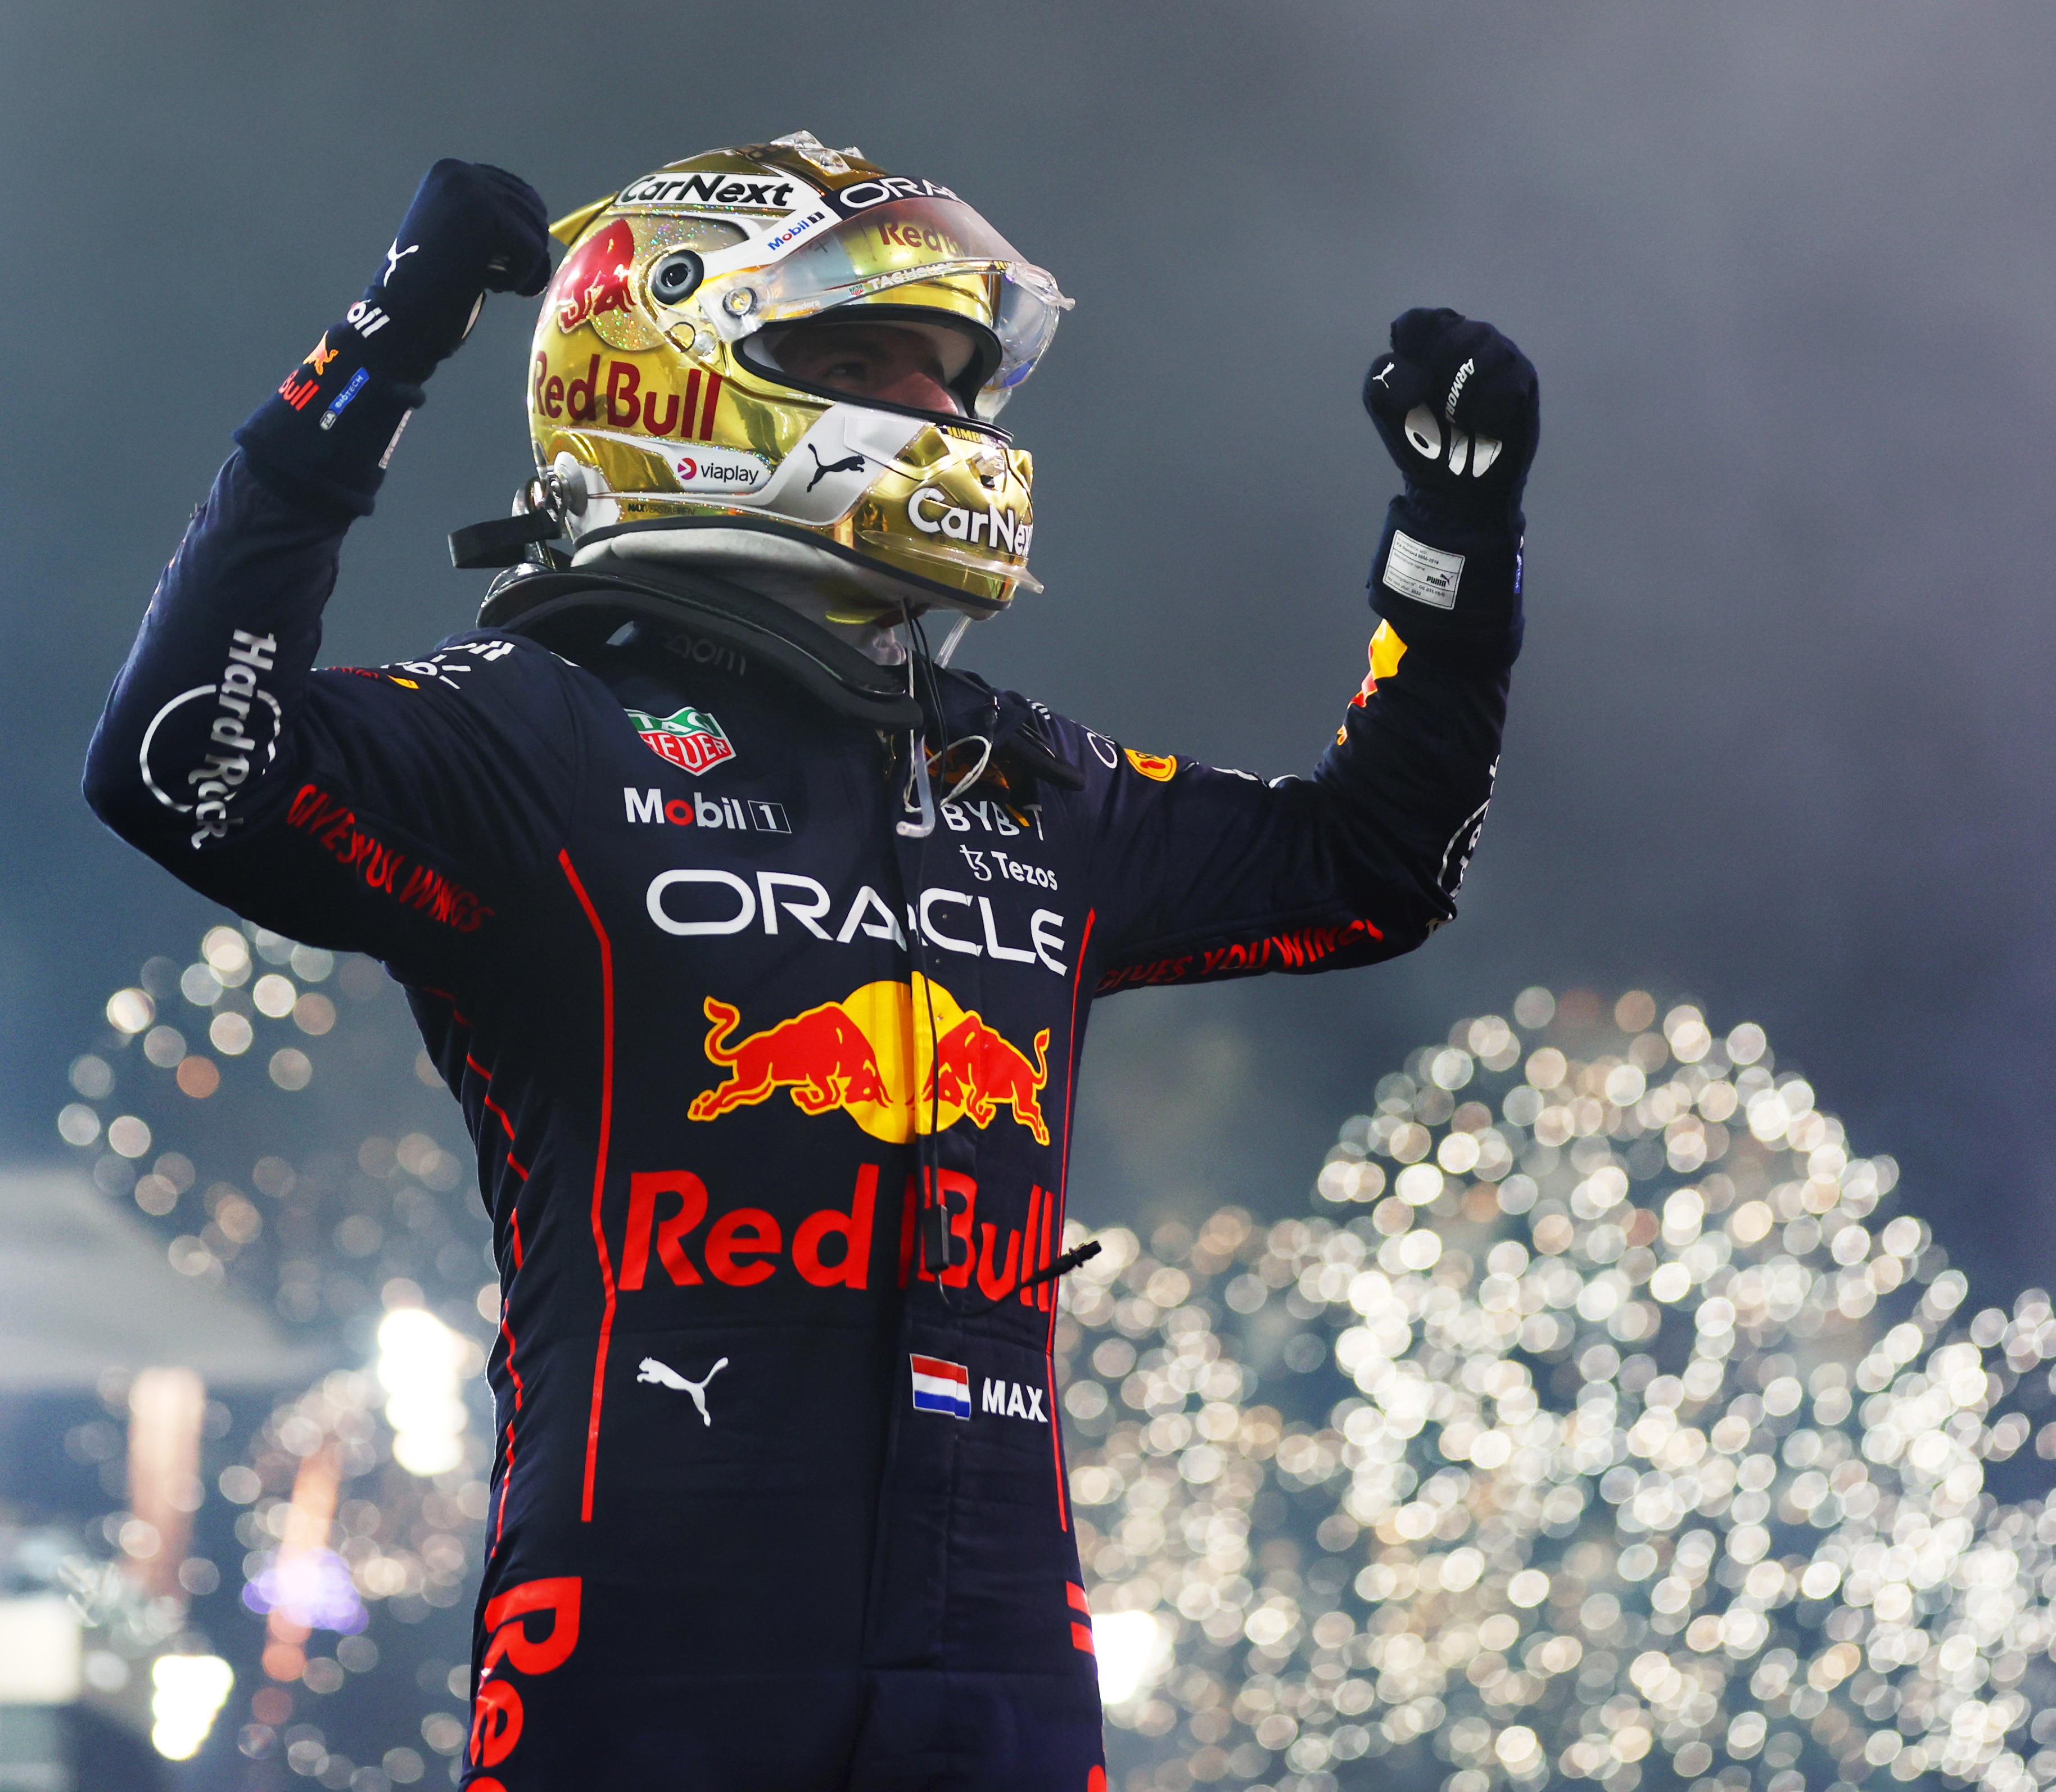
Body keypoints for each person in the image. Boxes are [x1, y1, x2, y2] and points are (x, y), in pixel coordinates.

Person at [82, 137, 1537, 1791]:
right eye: (866, 369)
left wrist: (1453, 547)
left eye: (954, 384)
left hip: (1003, 1651)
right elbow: (183, 760)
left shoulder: (1022, 777)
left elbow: (1371, 867)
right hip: (649, 1646)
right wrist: (376, 352)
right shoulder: (531, 731)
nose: (943, 425)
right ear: (678, 379)